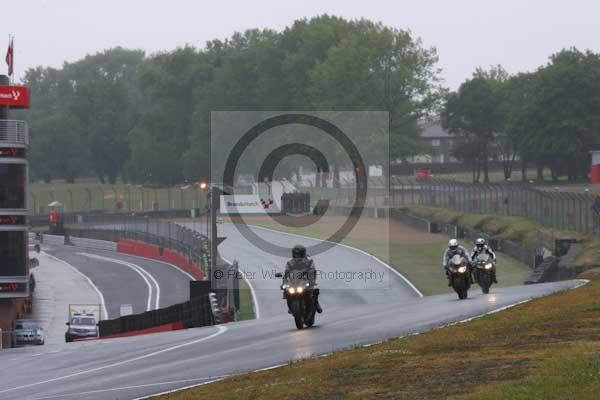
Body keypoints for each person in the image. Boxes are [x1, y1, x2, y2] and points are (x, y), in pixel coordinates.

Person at [283, 245, 322, 313]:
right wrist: (284, 282)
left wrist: (311, 276)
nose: (297, 256)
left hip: (306, 279)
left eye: (299, 254)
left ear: (303, 254)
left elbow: (312, 269)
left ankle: (316, 304)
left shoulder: (309, 261)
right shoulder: (290, 262)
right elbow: (287, 272)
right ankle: (290, 306)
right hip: (295, 281)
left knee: (313, 290)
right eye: (296, 254)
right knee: (286, 291)